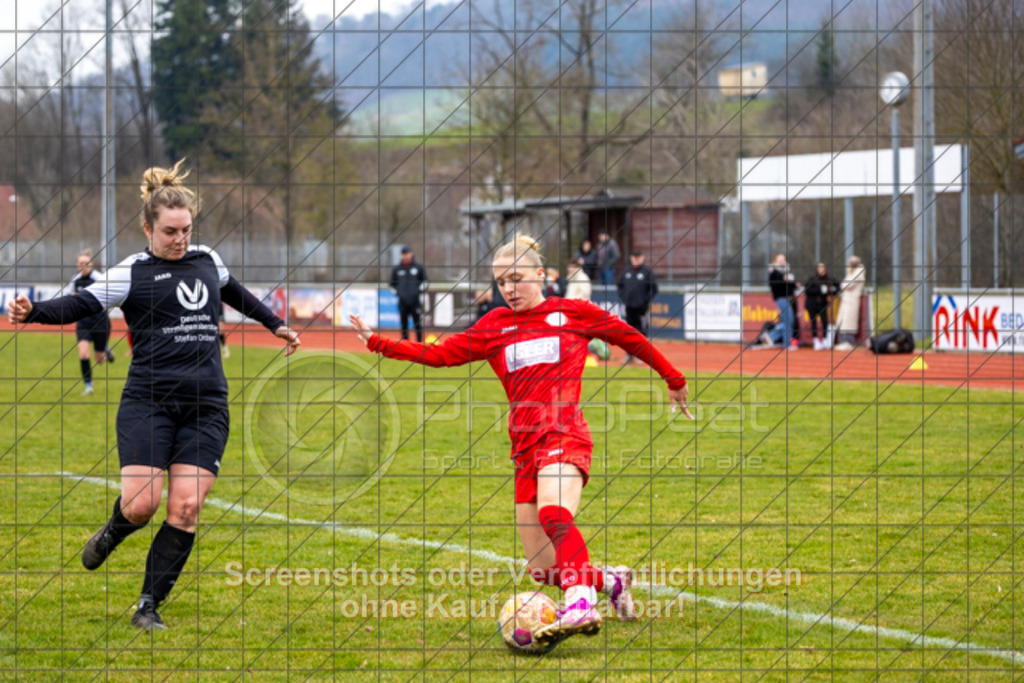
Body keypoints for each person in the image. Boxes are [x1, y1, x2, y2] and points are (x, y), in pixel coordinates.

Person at [349, 234, 692, 646]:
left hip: (565, 433)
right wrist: (376, 342)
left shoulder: (574, 312)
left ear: (541, 275)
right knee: (544, 570)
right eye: (502, 282)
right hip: (524, 446)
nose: (510, 289)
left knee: (554, 514)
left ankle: (581, 600)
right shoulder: (493, 326)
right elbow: (439, 355)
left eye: (517, 278)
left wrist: (674, 379)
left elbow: (629, 338)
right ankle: (610, 581)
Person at [7, 160, 301, 630]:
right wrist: (35, 310)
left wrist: (277, 325)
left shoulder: (207, 259)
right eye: (169, 231)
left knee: (186, 506)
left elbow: (235, 292)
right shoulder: (131, 272)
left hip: (207, 406)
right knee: (142, 505)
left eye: (185, 229)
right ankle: (112, 532)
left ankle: (148, 605)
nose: (180, 238)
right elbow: (82, 303)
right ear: (148, 227)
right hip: (148, 402)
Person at [70, 250, 115, 395]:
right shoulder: (75, 281)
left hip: (100, 322)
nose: (84, 266)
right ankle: (88, 386)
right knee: (83, 354)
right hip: (83, 322)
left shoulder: (99, 279)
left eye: (87, 263)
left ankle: (105, 350)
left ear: (92, 264)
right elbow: (71, 299)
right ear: (77, 266)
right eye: (81, 264)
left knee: (99, 359)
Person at [617, 250, 659, 364]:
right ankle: (629, 355)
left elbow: (654, 288)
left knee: (641, 332)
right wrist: (624, 298)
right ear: (631, 258)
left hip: (642, 308)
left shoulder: (647, 272)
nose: (636, 259)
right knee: (628, 332)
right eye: (634, 257)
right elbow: (620, 286)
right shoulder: (626, 271)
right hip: (629, 307)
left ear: (642, 258)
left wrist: (645, 301)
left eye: (638, 257)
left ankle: (642, 356)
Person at [390, 246, 428, 341]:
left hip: (415, 301)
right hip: (402, 302)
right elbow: (392, 285)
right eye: (403, 254)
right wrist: (399, 292)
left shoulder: (418, 267)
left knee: (417, 324)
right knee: (404, 324)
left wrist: (417, 291)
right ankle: (405, 344)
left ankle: (419, 344)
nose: (405, 256)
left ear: (411, 254)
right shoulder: (397, 269)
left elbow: (425, 282)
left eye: (407, 253)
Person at [762, 254, 797, 349]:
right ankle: (786, 344)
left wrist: (794, 285)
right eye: (780, 260)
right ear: (776, 261)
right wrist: (784, 280)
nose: (782, 261)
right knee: (788, 321)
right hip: (781, 299)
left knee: (788, 321)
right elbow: (774, 286)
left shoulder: (785, 272)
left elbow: (789, 286)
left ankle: (771, 336)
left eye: (783, 259)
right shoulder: (774, 273)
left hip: (787, 299)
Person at [804, 262, 839, 350]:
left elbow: (837, 286)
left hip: (822, 304)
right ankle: (815, 340)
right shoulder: (812, 278)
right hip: (811, 303)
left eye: (822, 267)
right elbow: (807, 290)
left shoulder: (829, 278)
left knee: (824, 321)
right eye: (819, 268)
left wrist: (833, 290)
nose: (821, 269)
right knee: (814, 322)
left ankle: (824, 340)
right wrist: (819, 289)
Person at [835, 256, 866, 350]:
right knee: (842, 322)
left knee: (849, 323)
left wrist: (843, 284)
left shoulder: (859, 273)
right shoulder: (851, 273)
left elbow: (847, 284)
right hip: (846, 301)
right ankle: (843, 341)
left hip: (852, 302)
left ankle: (848, 342)